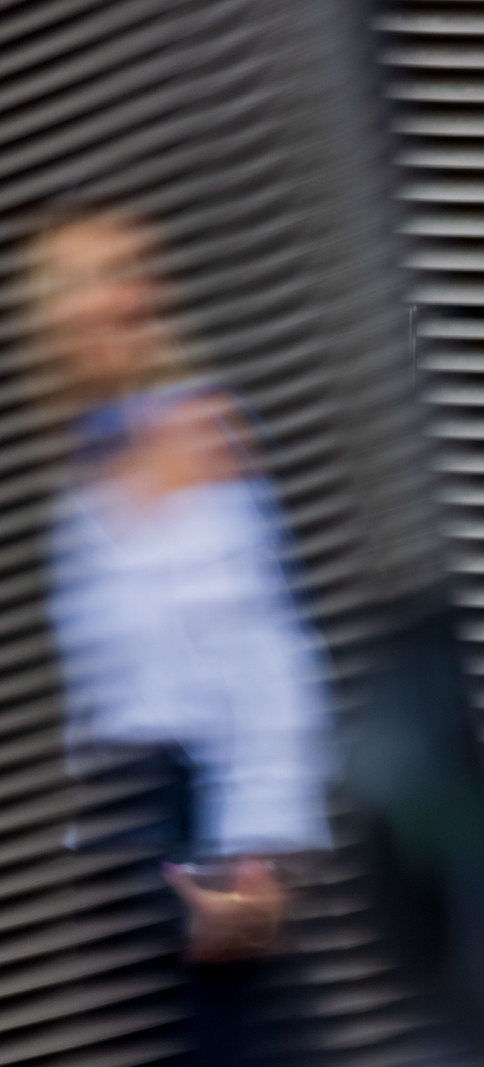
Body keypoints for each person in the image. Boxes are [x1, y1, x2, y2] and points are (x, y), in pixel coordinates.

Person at [26, 200, 334, 1064]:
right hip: (127, 847)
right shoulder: (84, 475)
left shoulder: (198, 433)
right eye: (81, 283)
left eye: (125, 277)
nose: (109, 302)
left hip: (193, 822)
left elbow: (263, 651)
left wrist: (253, 863)